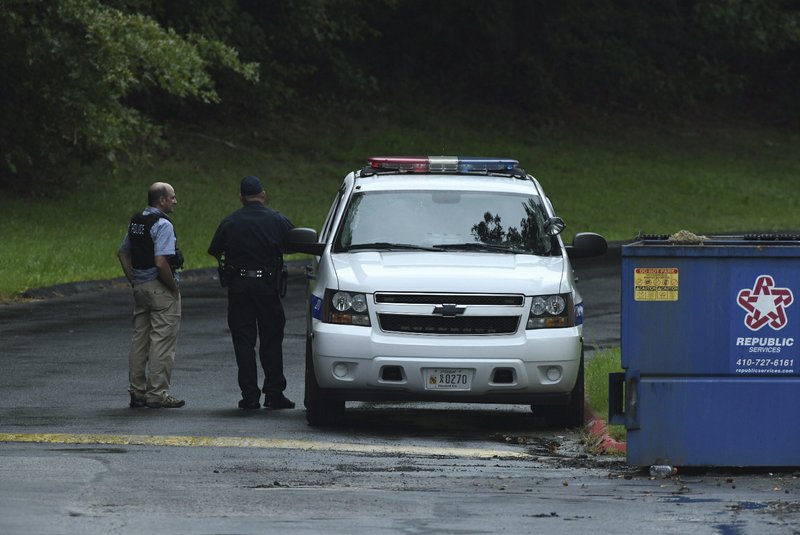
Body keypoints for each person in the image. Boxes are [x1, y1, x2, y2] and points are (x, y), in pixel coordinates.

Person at [208, 175, 295, 410]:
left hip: (239, 288)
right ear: (263, 195)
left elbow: (214, 249)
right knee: (271, 339)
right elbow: (296, 241)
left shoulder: (230, 221)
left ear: (241, 198)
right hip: (267, 287)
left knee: (244, 342)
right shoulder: (277, 219)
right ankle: (274, 393)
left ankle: (250, 396)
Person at [118, 182, 185, 409]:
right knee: (162, 342)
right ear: (161, 200)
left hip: (141, 287)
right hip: (160, 289)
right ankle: (157, 393)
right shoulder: (162, 224)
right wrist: (173, 287)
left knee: (140, 340)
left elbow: (123, 253)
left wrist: (134, 280)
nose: (175, 201)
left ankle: (137, 392)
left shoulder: (137, 221)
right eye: (172, 197)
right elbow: (161, 261)